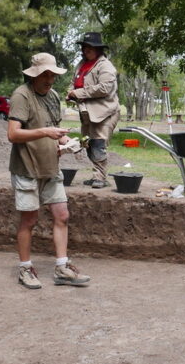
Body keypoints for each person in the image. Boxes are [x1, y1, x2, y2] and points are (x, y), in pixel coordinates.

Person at [9, 52, 90, 289]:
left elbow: (56, 133)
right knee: (30, 219)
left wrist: (68, 143)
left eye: (52, 74)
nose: (49, 79)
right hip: (26, 167)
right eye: (45, 74)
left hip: (50, 166)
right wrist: (45, 132)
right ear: (34, 75)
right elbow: (13, 134)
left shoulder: (53, 96)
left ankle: (62, 267)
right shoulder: (21, 96)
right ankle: (25, 269)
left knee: (62, 215)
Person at [66, 32, 119, 189]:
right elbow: (73, 83)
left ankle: (100, 177)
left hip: (105, 112)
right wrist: (70, 93)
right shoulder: (81, 65)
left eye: (90, 48)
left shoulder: (106, 66)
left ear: (98, 49)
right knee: (88, 143)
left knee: (98, 144)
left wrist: (79, 93)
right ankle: (97, 175)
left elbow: (105, 88)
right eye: (84, 47)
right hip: (88, 113)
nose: (86, 50)